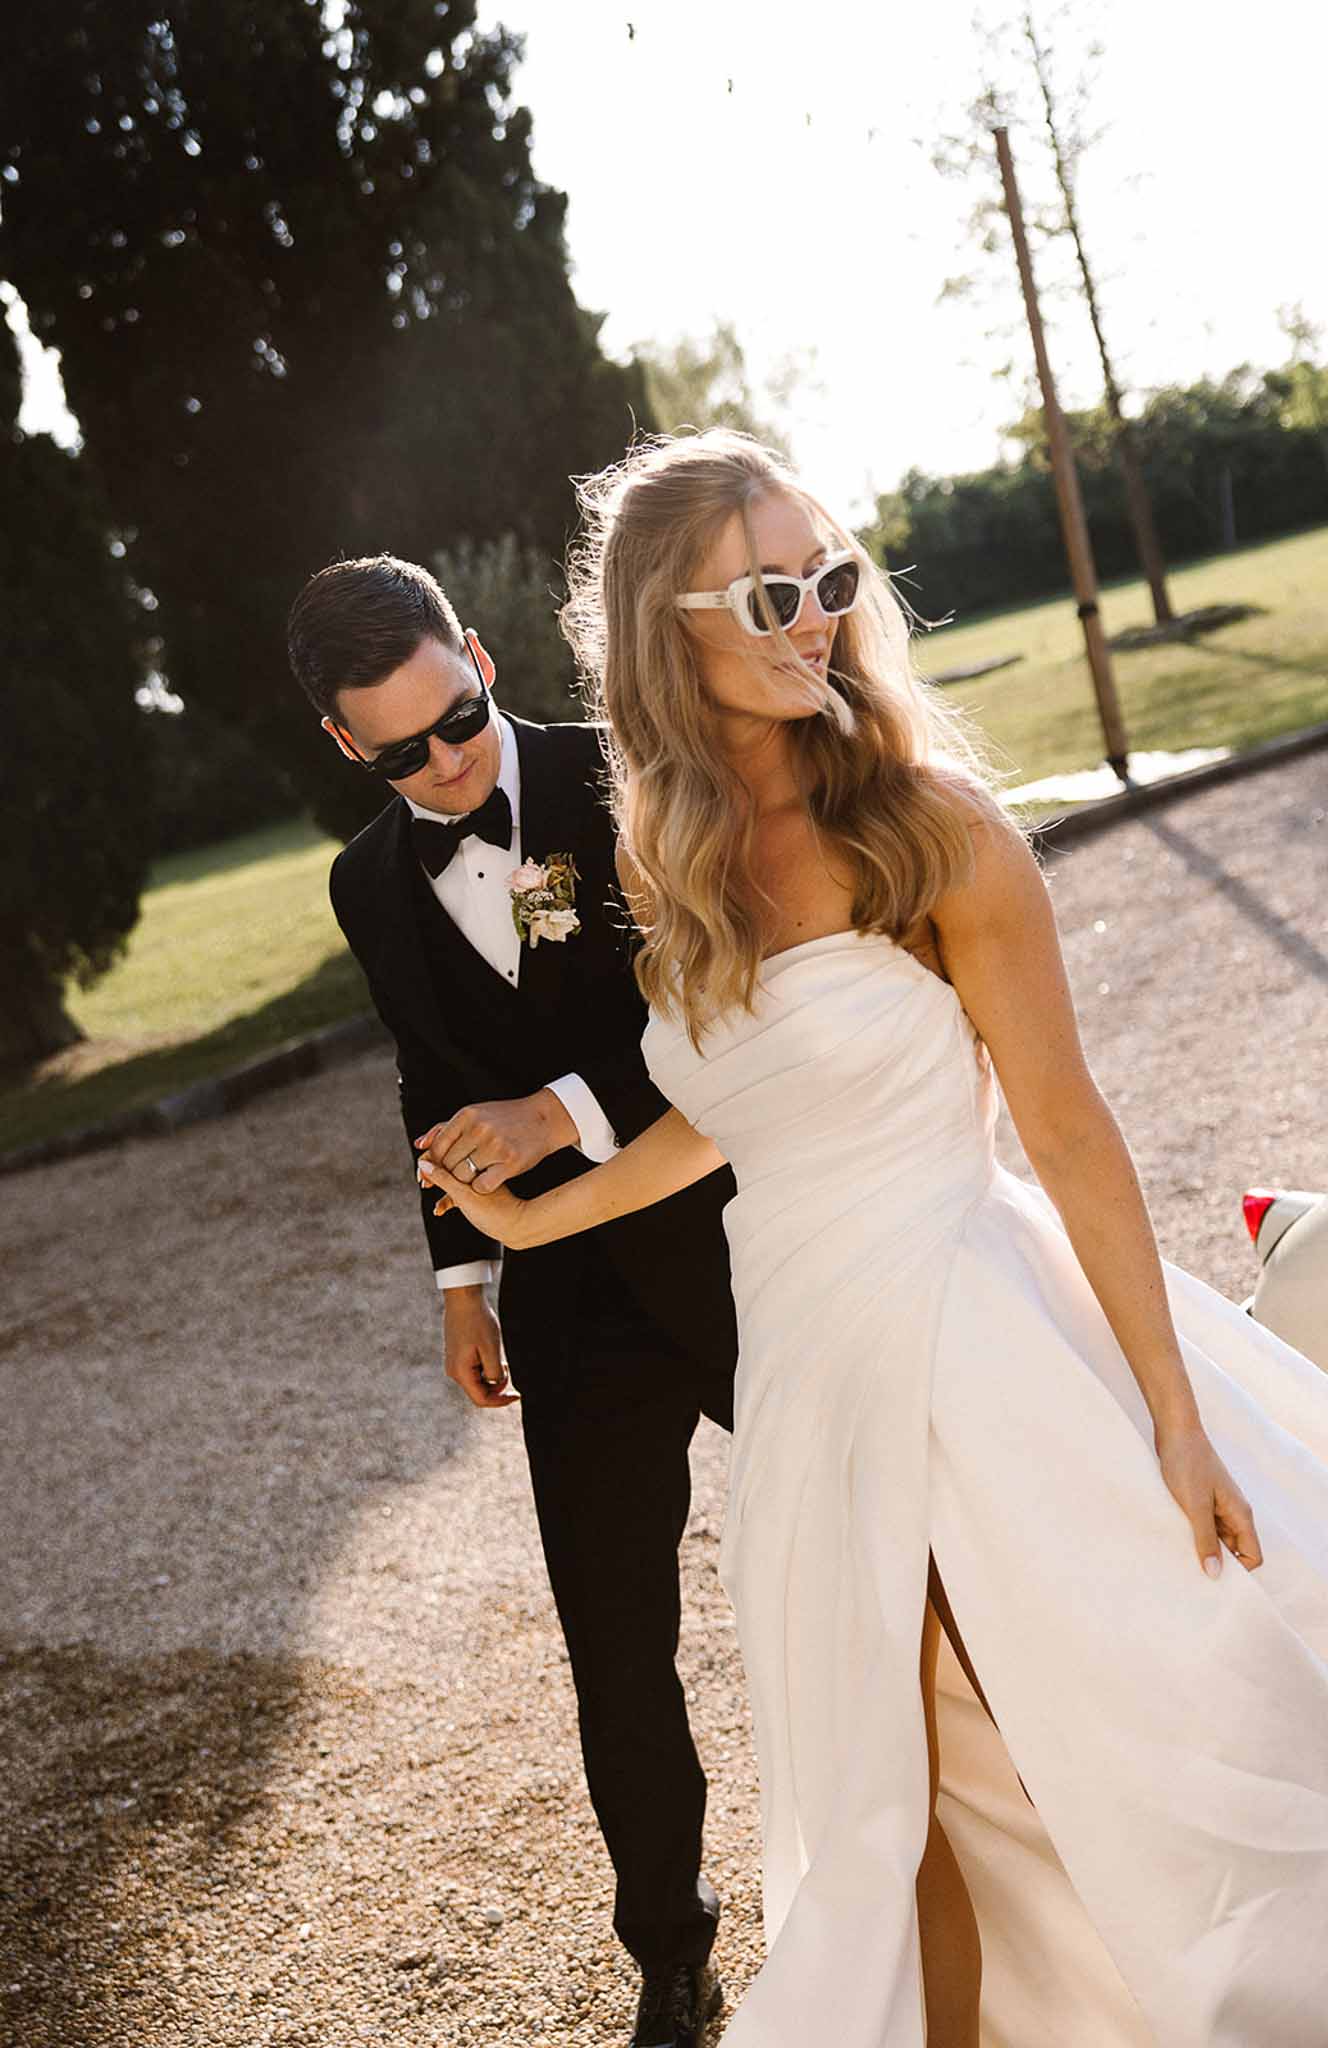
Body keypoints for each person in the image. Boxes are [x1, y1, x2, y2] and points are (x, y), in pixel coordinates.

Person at [416, 430, 1328, 2048]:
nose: (815, 619)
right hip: (803, 1373)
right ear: (670, 629)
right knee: (883, 1787)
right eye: (771, 591)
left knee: (1106, 1730)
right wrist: (531, 1214)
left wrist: (1175, 1412)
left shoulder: (934, 830)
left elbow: (1064, 1129)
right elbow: (735, 1114)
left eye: (830, 580)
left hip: (970, 1338)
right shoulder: (674, 849)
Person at [286, 556, 739, 2048]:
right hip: (564, 1298)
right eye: (402, 750)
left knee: (899, 1528)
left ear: (477, 656)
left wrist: (561, 1111)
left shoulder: (633, 770)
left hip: (746, 1241)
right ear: (349, 748)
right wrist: (460, 1281)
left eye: (460, 717)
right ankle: (669, 1953)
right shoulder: (365, 883)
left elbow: (733, 1002)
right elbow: (429, 1072)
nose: (446, 760)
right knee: (613, 1636)